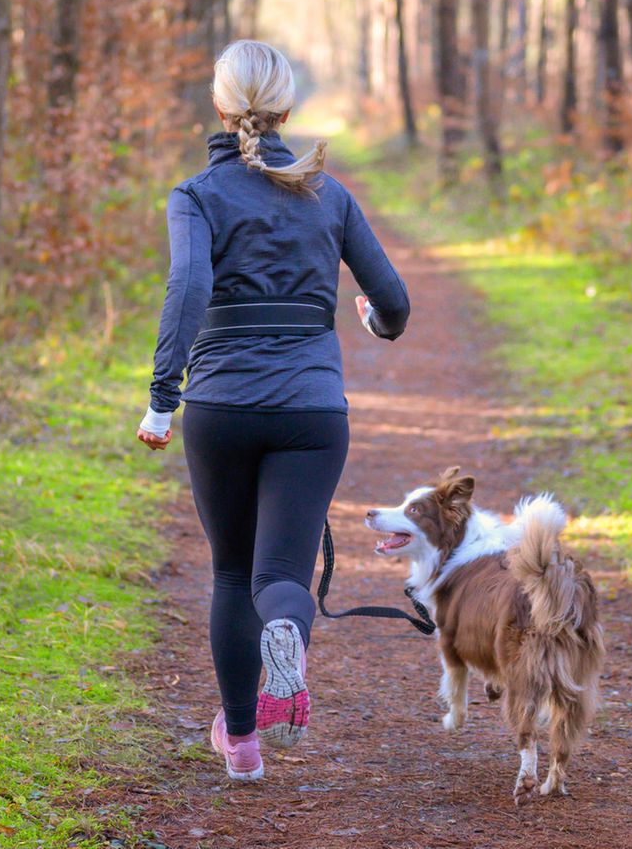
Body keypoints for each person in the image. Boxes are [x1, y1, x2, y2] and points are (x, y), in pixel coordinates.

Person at [136, 40, 410, 782]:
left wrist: (163, 398)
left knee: (230, 572)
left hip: (221, 406)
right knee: (279, 572)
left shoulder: (196, 195)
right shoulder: (330, 192)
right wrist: (377, 325)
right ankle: (287, 628)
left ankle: (244, 744)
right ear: (285, 109)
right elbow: (394, 302)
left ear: (221, 108)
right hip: (312, 412)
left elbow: (187, 289)